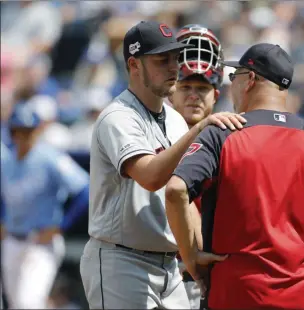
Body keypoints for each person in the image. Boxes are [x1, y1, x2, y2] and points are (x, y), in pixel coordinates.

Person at [165, 43, 304, 309]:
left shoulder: (223, 132)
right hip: (301, 297)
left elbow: (176, 190)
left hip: (236, 295)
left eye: (234, 77)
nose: (231, 85)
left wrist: (191, 258)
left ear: (250, 80)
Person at [79, 20, 246, 309]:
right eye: (162, 60)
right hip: (122, 261)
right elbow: (151, 176)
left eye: (175, 58)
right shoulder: (117, 117)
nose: (173, 67)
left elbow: (183, 196)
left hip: (168, 266)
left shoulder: (175, 120)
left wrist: (195, 253)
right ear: (134, 65)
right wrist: (201, 127)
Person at [0, 104, 89, 309]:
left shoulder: (50, 158)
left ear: (36, 131)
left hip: (40, 243)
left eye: (28, 130)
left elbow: (84, 190)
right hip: (12, 241)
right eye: (18, 130)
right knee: (15, 303)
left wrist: (62, 226)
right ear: (12, 132)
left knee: (28, 303)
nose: (23, 136)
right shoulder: (6, 160)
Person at [169, 24, 224, 309]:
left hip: (214, 276)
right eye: (186, 86)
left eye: (202, 88)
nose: (193, 95)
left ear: (216, 94)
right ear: (171, 92)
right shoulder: (152, 136)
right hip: (161, 271)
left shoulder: (230, 137)